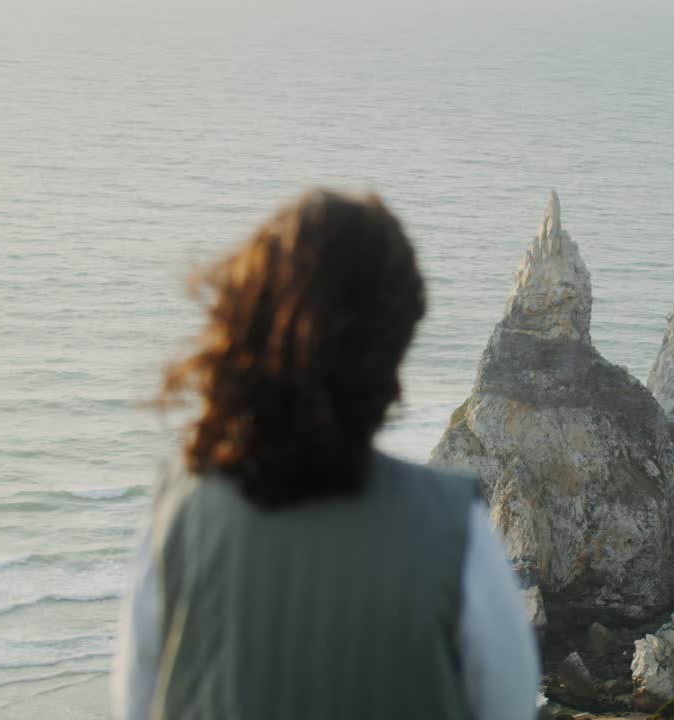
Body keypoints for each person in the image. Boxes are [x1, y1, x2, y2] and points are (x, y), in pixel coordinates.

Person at [110, 189, 539, 719]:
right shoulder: (458, 536)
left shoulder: (176, 521)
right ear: (392, 348)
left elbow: (136, 704)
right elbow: (508, 706)